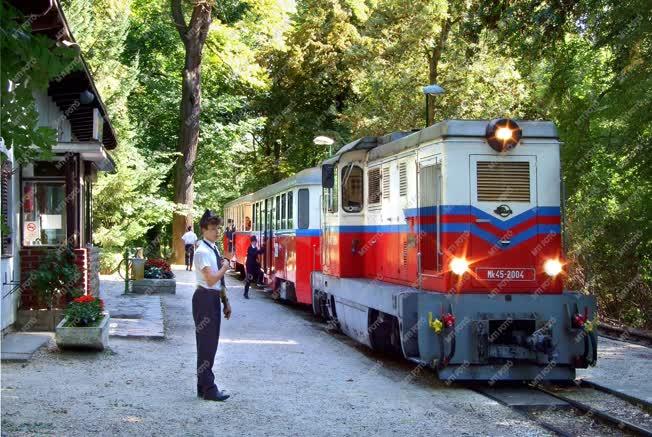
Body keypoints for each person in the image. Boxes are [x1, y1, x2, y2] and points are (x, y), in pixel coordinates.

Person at [192, 210, 232, 402]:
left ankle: (202, 385)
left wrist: (225, 301)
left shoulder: (212, 249)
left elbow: (218, 283)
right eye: (213, 229)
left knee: (209, 344)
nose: (217, 232)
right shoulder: (202, 252)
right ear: (203, 230)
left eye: (218, 228)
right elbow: (210, 280)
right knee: (207, 344)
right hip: (205, 298)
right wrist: (225, 266)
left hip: (212, 298)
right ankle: (209, 388)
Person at [243, 235, 264, 299]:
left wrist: (264, 245)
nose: (255, 243)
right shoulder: (250, 248)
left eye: (256, 241)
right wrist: (258, 251)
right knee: (249, 280)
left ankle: (259, 282)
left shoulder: (255, 248)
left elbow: (260, 252)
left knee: (261, 273)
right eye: (254, 242)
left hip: (255, 266)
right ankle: (245, 293)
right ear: (251, 242)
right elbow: (254, 253)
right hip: (249, 266)